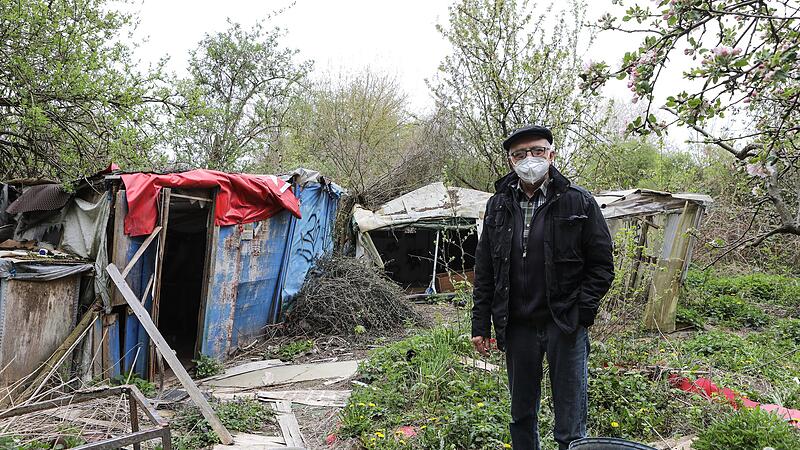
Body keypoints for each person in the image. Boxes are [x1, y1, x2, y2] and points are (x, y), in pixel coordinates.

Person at [471, 125, 614, 450]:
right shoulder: (498, 205)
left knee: (570, 422)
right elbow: (486, 269)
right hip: (517, 326)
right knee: (521, 415)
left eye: (537, 151)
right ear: (511, 161)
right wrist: (480, 324)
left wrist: (582, 312)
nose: (529, 159)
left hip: (564, 324)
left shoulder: (578, 201)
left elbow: (602, 265)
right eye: (520, 154)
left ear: (551, 154)